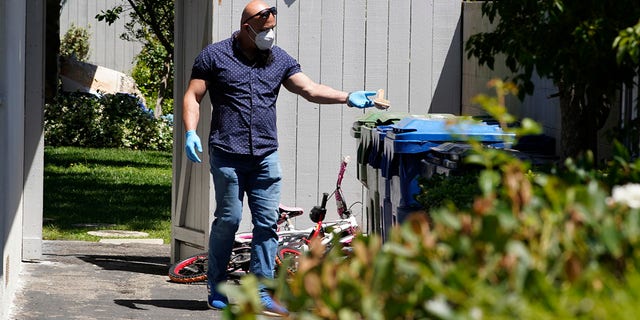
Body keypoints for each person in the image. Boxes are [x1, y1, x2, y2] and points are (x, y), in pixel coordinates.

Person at [182, 0, 383, 316]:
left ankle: (262, 292)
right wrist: (190, 131)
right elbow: (193, 95)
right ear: (246, 27)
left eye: (273, 29)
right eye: (264, 30)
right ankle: (217, 285)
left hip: (265, 155)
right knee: (230, 219)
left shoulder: (278, 60)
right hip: (227, 154)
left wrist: (349, 97)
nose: (270, 35)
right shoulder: (214, 56)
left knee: (266, 224)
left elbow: (310, 89)